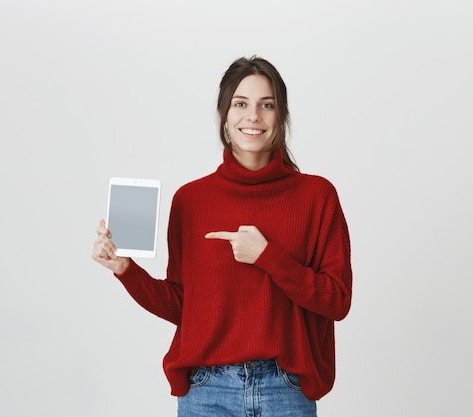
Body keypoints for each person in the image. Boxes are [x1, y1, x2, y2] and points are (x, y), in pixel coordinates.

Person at [91, 56, 352, 417]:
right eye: (241, 104)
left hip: (285, 392)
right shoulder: (190, 200)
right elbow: (183, 307)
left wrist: (268, 257)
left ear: (282, 116)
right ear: (223, 115)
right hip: (206, 394)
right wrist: (125, 269)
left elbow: (337, 300)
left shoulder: (316, 196)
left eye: (267, 105)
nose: (253, 116)